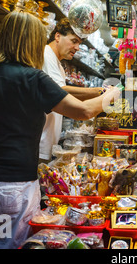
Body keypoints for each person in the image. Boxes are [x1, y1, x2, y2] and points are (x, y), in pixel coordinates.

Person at [0, 11, 120, 249]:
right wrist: (110, 94)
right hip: (7, 194)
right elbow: (84, 111)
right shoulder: (34, 79)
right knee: (3, 245)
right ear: (35, 43)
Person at [39, 18, 106, 163]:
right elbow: (59, 90)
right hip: (40, 141)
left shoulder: (59, 65)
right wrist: (99, 92)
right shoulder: (46, 55)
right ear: (57, 36)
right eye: (73, 41)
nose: (77, 48)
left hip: (47, 140)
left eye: (79, 43)